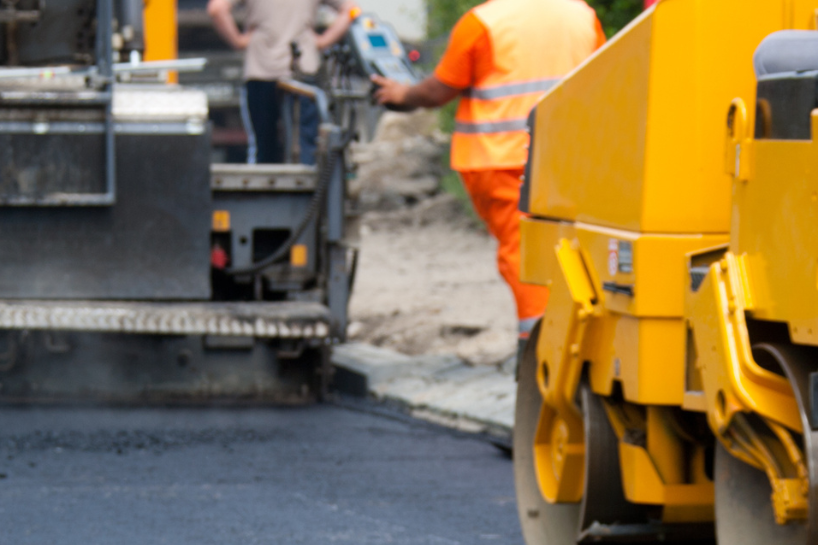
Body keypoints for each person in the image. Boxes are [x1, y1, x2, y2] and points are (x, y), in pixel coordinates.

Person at [371, 0, 604, 336]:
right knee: (571, 246)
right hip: (571, 157)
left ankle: (538, 348)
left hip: (503, 159)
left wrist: (402, 93)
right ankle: (571, 335)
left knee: (524, 251)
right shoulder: (582, 14)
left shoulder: (483, 23)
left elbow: (439, 90)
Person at [209, 0, 356, 165]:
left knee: (264, 147)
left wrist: (237, 40)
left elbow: (217, 9)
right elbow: (351, 10)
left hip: (262, 69)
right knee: (306, 146)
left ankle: (265, 188)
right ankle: (307, 189)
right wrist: (323, 41)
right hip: (303, 70)